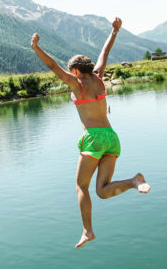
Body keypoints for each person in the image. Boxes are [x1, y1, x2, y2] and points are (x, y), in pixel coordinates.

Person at [31, 17, 150, 248]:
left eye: (70, 71)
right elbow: (105, 51)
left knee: (81, 187)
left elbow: (52, 66)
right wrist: (114, 31)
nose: (69, 74)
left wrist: (36, 47)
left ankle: (87, 230)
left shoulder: (78, 84)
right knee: (102, 192)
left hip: (94, 139)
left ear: (75, 70)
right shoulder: (99, 77)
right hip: (112, 138)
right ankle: (135, 181)